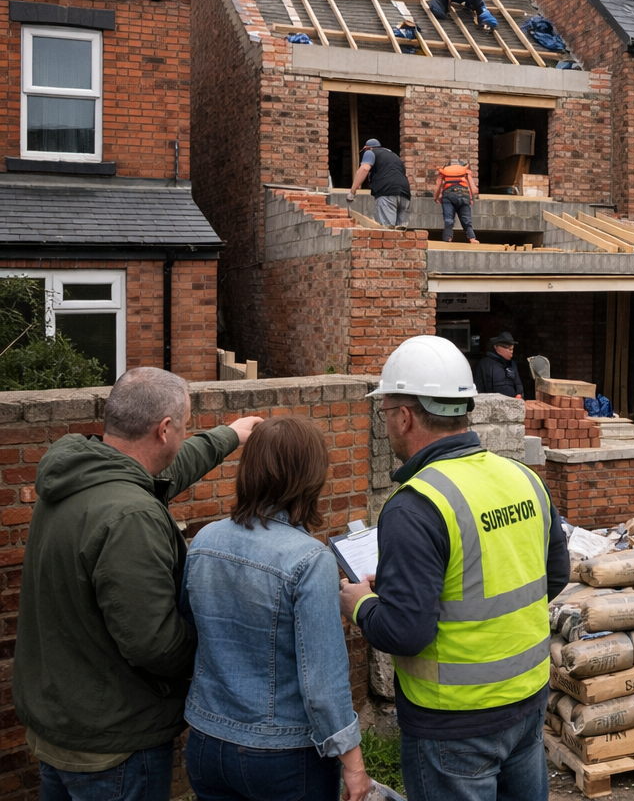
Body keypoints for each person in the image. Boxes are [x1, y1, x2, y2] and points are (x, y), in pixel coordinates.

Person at [15, 368, 262, 801]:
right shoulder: (130, 517)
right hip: (114, 744)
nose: (184, 435)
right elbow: (153, 643)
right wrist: (216, 654)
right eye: (184, 427)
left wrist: (230, 435)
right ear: (164, 430)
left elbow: (165, 472)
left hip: (60, 722)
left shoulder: (80, 475)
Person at [340, 336, 569, 801]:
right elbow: (554, 575)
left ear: (405, 416)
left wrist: (361, 605)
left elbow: (405, 632)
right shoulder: (523, 478)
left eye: (386, 412)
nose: (387, 422)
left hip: (454, 724)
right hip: (527, 700)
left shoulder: (414, 505)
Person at [181, 417, 371, 801]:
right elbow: (323, 681)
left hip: (207, 741)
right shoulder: (309, 559)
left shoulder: (204, 541)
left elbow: (191, 628)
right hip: (283, 754)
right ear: (309, 477)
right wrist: (353, 764)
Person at [348, 138, 412, 227]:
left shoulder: (370, 152)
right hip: (405, 195)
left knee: (387, 230)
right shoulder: (394, 156)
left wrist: (352, 191)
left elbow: (364, 169)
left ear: (366, 148)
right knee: (400, 231)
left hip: (387, 193)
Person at [435, 159, 479, 244]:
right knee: (466, 220)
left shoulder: (444, 172)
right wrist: (470, 198)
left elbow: (438, 186)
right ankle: (472, 238)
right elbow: (474, 190)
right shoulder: (465, 172)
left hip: (448, 195)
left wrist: (436, 197)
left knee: (448, 220)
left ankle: (448, 238)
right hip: (464, 195)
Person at [473, 332, 524, 399]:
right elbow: (479, 387)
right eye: (507, 347)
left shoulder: (512, 364)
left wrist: (520, 395)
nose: (511, 351)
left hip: (513, 402)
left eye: (512, 348)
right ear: (497, 347)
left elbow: (518, 385)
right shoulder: (484, 364)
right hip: (492, 402)